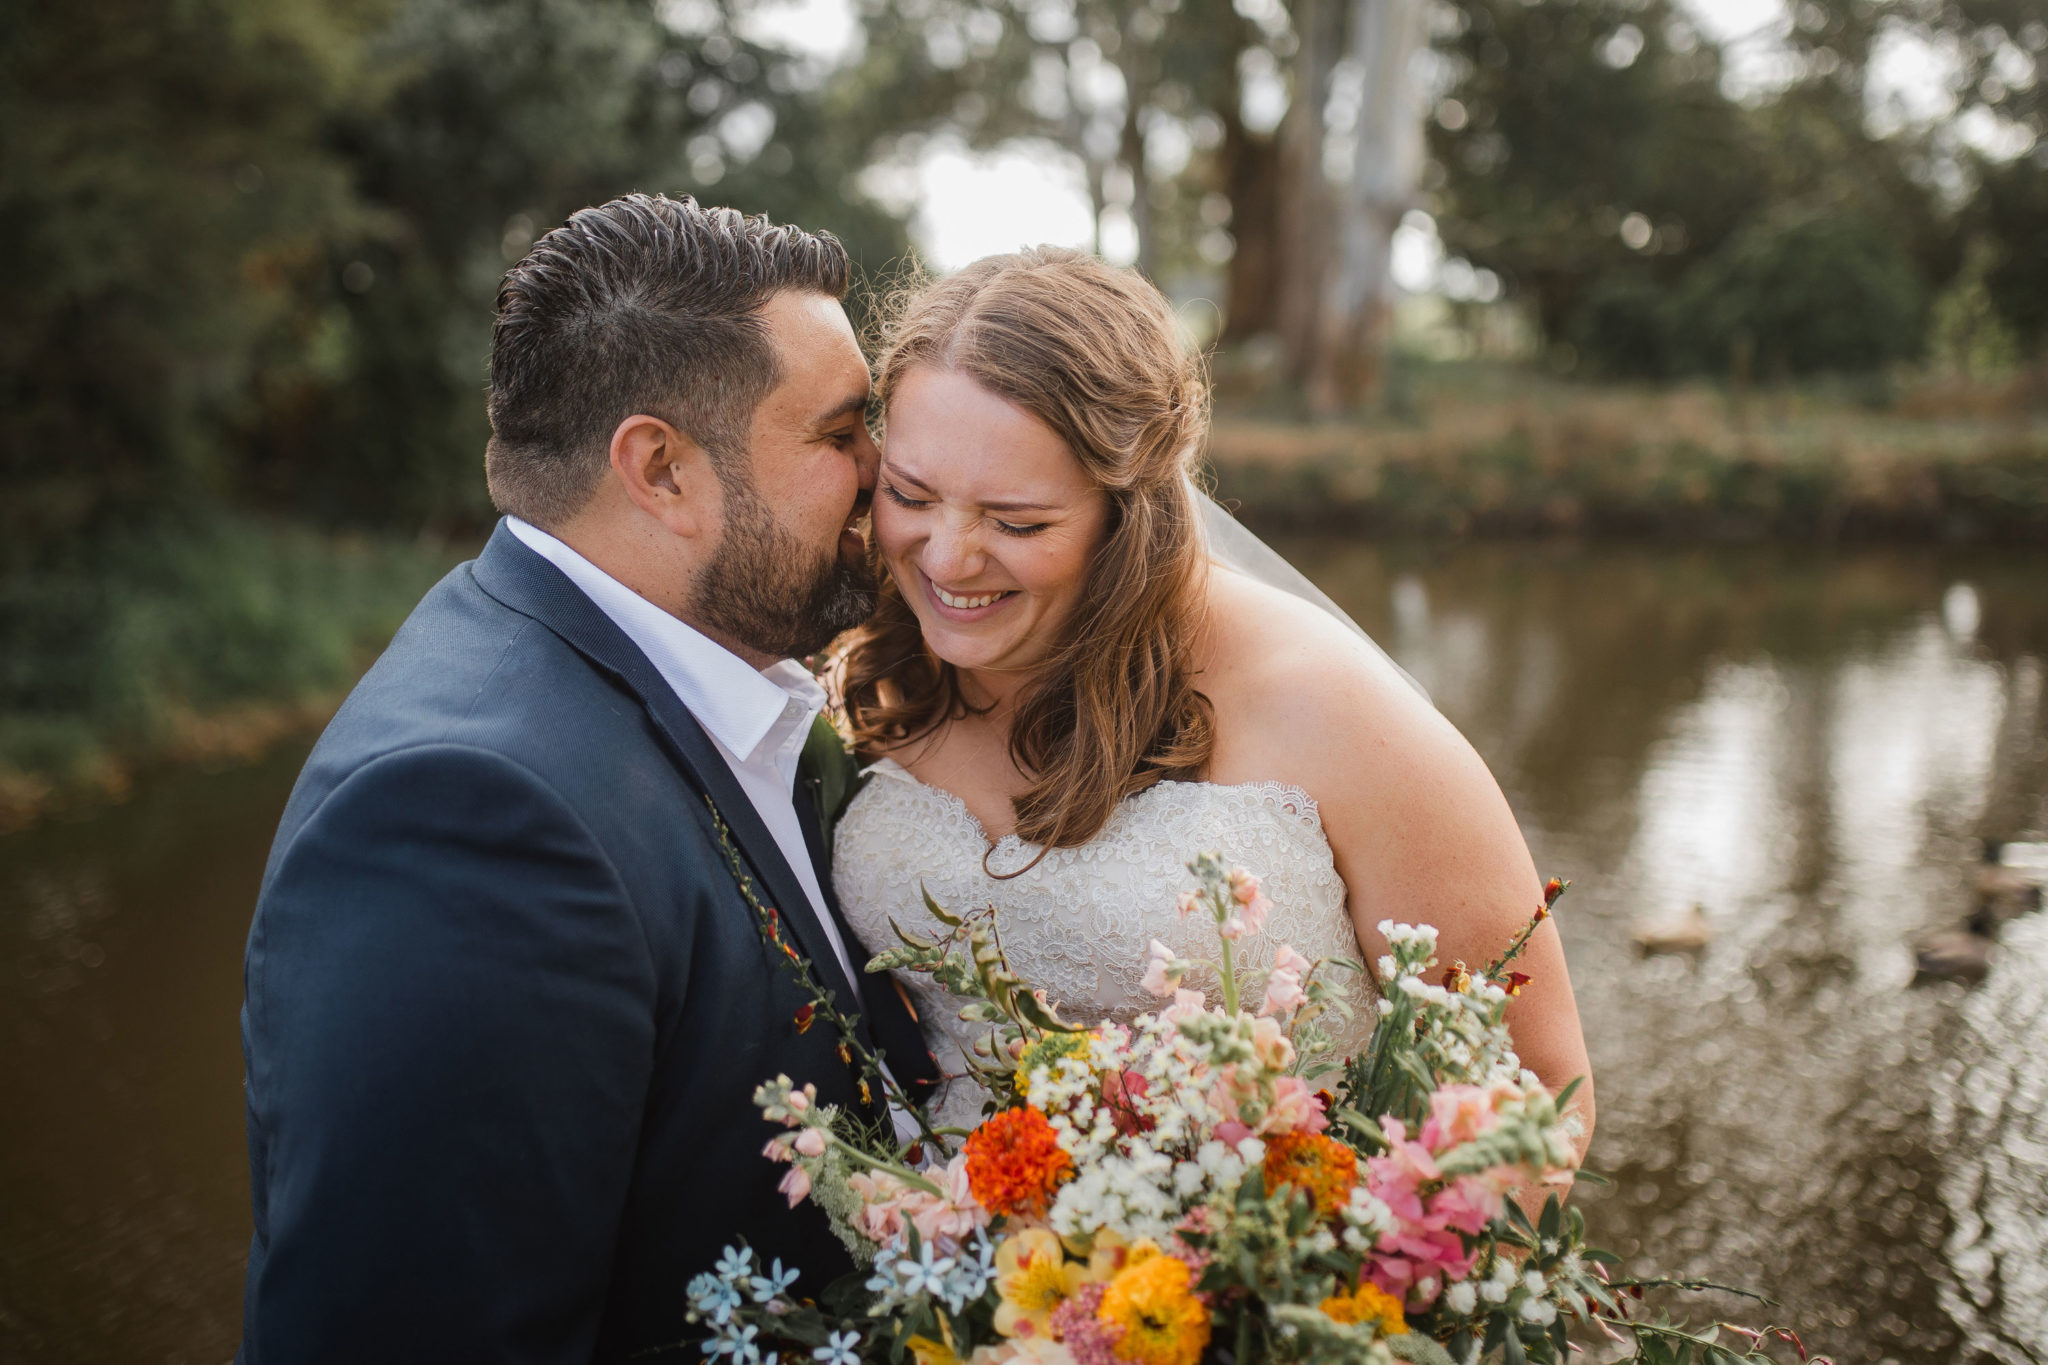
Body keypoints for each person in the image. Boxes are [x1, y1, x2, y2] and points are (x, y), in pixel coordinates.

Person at [236, 194, 936, 1363]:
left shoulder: (736, 682)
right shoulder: (466, 822)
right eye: (839, 433)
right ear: (660, 468)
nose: (886, 475)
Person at [832, 248, 1595, 1143]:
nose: (948, 558)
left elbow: (1538, 1090)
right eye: (911, 495)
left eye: (1016, 521)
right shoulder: (885, 665)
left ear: (1130, 513)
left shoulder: (1328, 707)